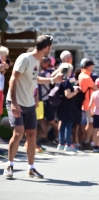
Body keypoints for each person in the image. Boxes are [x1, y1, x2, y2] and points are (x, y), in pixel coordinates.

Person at [3, 35, 62, 179]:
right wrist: (15, 103)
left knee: (31, 135)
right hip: (16, 102)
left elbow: (35, 79)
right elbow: (12, 80)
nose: (51, 49)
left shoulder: (37, 60)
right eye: (51, 46)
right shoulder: (25, 58)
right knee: (18, 133)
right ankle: (9, 165)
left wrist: (52, 80)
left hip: (29, 104)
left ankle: (31, 168)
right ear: (47, 47)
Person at [53, 63, 79, 152]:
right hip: (67, 105)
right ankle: (68, 144)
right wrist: (75, 91)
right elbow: (68, 95)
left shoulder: (58, 81)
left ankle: (61, 143)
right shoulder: (66, 82)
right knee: (68, 124)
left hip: (60, 104)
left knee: (62, 123)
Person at [78, 59, 98, 150]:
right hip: (89, 103)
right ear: (89, 66)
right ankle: (86, 141)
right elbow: (96, 88)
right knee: (90, 123)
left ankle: (86, 141)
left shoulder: (81, 75)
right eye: (92, 66)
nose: (93, 68)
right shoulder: (86, 77)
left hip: (86, 103)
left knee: (89, 123)